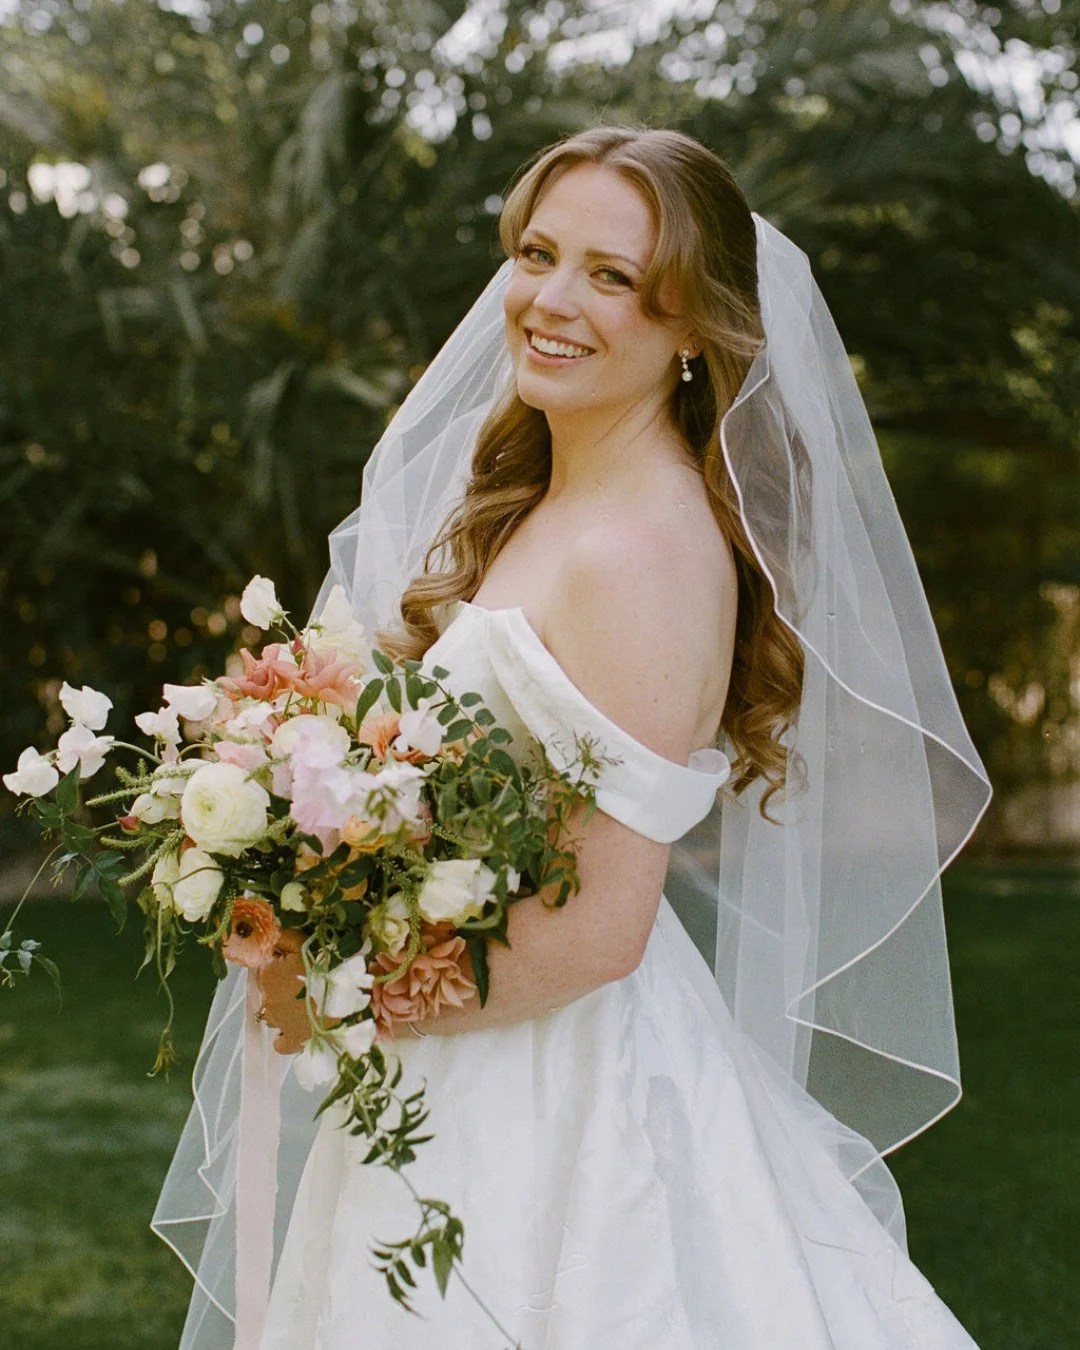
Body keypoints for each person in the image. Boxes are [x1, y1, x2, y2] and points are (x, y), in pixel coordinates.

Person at [155, 127, 992, 1349]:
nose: (552, 300)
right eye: (539, 254)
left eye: (612, 276)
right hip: (457, 1054)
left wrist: (335, 990)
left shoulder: (644, 552)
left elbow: (602, 930)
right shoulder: (544, 501)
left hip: (554, 1099)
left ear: (692, 325)